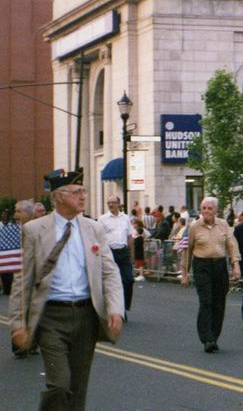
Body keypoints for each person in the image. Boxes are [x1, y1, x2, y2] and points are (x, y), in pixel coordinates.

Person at [10, 168, 123, 411]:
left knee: (78, 390)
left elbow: (109, 272)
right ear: (59, 196)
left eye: (83, 191)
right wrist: (18, 324)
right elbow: (23, 280)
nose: (83, 196)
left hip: (85, 317)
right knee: (59, 384)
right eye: (76, 192)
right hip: (51, 318)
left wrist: (116, 309)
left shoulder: (94, 229)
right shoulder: (34, 230)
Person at [180, 197, 241, 353]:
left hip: (219, 265)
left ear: (216, 211)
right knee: (206, 301)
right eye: (204, 208)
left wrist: (236, 265)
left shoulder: (223, 224)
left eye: (209, 208)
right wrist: (184, 273)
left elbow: (231, 244)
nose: (206, 211)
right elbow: (187, 251)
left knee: (219, 303)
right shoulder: (194, 227)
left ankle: (214, 336)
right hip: (202, 266)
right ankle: (206, 338)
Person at [98, 196, 134, 318]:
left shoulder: (125, 218)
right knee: (112, 282)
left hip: (123, 252)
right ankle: (115, 310)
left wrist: (131, 254)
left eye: (113, 202)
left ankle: (124, 306)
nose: (111, 205)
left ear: (119, 203)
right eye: (109, 203)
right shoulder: (102, 219)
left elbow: (130, 236)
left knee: (128, 280)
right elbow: (99, 237)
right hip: (109, 252)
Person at [8, 200, 36, 358]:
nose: (15, 215)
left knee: (34, 309)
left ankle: (31, 342)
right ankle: (18, 344)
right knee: (18, 304)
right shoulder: (13, 231)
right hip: (20, 273)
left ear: (29, 214)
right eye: (16, 211)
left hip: (35, 274)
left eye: (19, 211)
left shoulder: (36, 229)